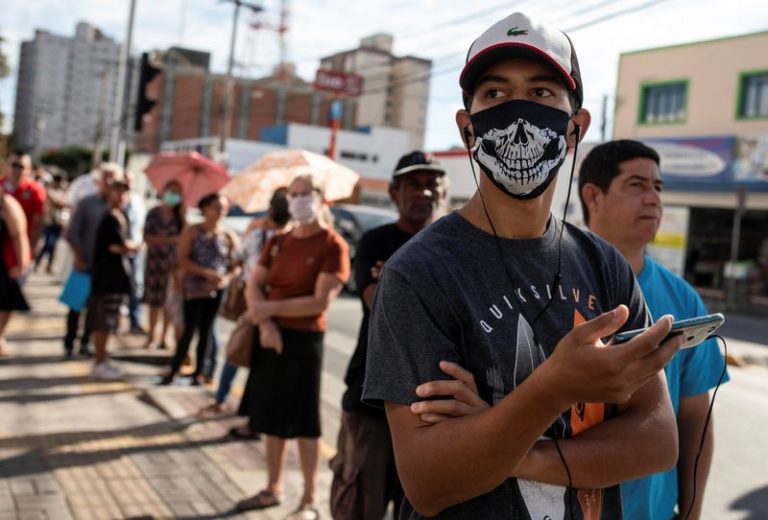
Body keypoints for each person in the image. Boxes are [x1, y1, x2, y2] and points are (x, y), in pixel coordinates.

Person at [361, 12, 684, 519]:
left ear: (575, 129)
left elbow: (658, 442)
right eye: (494, 95)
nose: (516, 114)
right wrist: (557, 387)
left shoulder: (603, 264)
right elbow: (429, 481)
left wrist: (503, 442)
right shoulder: (419, 273)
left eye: (540, 94)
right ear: (468, 131)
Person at [578, 139, 729, 520]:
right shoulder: (552, 283)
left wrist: (691, 510)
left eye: (658, 187)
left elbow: (694, 416)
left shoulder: (683, 298)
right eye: (636, 185)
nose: (653, 199)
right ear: (593, 196)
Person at [330, 151, 447, 520]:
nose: (424, 193)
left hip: (435, 413)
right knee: (360, 505)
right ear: (394, 193)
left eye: (432, 184)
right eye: (414, 184)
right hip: (372, 404)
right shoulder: (376, 242)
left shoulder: (456, 247)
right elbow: (376, 305)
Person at [235, 174, 350, 518]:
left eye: (305, 194)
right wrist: (267, 323)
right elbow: (254, 284)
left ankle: (310, 497)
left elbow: (318, 303)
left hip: (304, 340)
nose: (298, 201)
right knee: (270, 417)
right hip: (271, 337)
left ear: (320, 198)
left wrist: (267, 309)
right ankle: (273, 488)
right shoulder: (278, 242)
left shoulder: (333, 245)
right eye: (293, 194)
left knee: (304, 422)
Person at [204, 187, 291, 419]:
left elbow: (239, 259)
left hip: (252, 300)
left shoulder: (255, 232)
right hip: (273, 303)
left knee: (238, 347)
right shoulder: (290, 239)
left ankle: (222, 397)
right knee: (257, 355)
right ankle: (247, 408)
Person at [160, 192, 240, 385]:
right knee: (189, 330)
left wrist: (226, 278)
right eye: (216, 208)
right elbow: (182, 260)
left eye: (223, 208)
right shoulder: (193, 231)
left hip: (216, 290)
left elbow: (236, 264)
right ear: (205, 209)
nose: (220, 212)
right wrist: (205, 273)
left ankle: (199, 372)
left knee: (206, 331)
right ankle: (174, 370)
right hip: (194, 288)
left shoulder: (228, 235)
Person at [64, 164, 124, 358]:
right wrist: (79, 258)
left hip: (104, 270)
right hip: (85, 265)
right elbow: (72, 233)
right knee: (76, 305)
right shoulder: (87, 203)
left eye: (113, 179)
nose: (108, 182)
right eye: (105, 177)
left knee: (96, 310)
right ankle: (69, 342)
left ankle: (86, 343)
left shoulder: (122, 209)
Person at [87, 178, 140, 379]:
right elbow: (116, 246)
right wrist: (134, 246)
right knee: (102, 321)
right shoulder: (110, 217)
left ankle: (101, 359)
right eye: (118, 191)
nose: (122, 196)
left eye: (125, 192)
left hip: (113, 278)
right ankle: (99, 361)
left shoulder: (119, 215)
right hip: (106, 279)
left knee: (108, 321)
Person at [143, 180, 185, 349]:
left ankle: (165, 336)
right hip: (155, 263)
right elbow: (148, 238)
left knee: (170, 302)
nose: (174, 195)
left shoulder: (180, 216)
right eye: (171, 191)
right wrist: (171, 240)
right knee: (154, 301)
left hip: (173, 266)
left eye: (177, 192)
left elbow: (185, 240)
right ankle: (151, 334)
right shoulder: (154, 213)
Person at [0, 193, 31, 356]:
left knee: (6, 302)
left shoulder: (6, 203)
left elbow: (19, 235)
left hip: (4, 264)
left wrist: (21, 263)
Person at [1, 151, 46, 258]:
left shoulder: (36, 190)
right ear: (7, 165)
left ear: (28, 169)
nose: (17, 170)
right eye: (14, 165)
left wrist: (33, 245)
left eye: (21, 166)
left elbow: (38, 222)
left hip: (19, 250)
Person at [34, 173, 68, 273]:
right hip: (49, 221)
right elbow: (57, 203)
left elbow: (66, 203)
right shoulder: (49, 191)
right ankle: (39, 261)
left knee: (54, 245)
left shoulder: (62, 192)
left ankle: (49, 264)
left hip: (59, 222)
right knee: (49, 243)